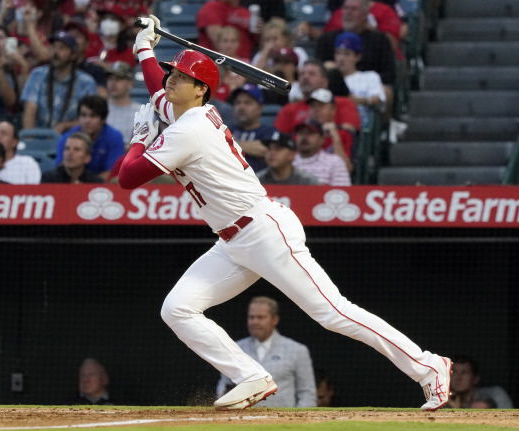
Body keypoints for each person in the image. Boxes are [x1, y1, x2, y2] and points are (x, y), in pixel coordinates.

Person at [117, 16, 452, 412]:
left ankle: (429, 367)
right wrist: (144, 47)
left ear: (201, 89)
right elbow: (159, 91)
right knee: (177, 308)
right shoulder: (188, 113)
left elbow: (127, 178)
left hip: (263, 231)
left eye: (180, 77)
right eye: (172, 74)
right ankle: (251, 375)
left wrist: (139, 140)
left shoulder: (188, 129)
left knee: (333, 313)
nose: (170, 81)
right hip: (233, 241)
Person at [216, 297, 317, 407]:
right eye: (251, 317)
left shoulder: (297, 350)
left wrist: (298, 422)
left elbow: (307, 393)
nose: (255, 322)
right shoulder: (235, 348)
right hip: (243, 421)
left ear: (275, 320)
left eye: (260, 317)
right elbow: (224, 386)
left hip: (282, 422)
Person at [315, 0, 396, 109]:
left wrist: (359, 77)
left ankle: (382, 125)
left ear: (365, 14)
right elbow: (317, 67)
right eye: (346, 8)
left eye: (353, 9)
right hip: (332, 85)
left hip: (367, 88)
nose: (348, 13)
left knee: (386, 92)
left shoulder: (380, 40)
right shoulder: (326, 39)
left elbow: (389, 74)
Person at [20, 31, 97, 133]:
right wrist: (29, 139)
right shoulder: (37, 74)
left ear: (73, 54)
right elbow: (29, 111)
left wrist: (66, 125)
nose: (55, 52)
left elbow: (91, 119)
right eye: (53, 47)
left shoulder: (87, 82)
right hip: (40, 137)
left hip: (72, 140)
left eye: (62, 48)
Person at [273, 59, 360, 134]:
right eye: (302, 74)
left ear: (325, 82)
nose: (305, 77)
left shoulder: (343, 103)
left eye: (312, 74)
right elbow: (277, 141)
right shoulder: (288, 109)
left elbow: (350, 132)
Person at [55, 95, 124, 181]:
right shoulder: (67, 138)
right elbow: (60, 170)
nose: (87, 121)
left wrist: (87, 186)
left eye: (93, 116)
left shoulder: (115, 137)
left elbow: (112, 173)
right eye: (83, 115)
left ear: (103, 119)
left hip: (101, 187)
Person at [333, 32, 387, 130]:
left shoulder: (369, 76)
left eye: (347, 54)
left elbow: (379, 100)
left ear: (357, 57)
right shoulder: (329, 77)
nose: (341, 58)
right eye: (338, 53)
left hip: (360, 123)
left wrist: (360, 100)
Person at [228, 83, 276, 173]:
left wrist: (229, 144)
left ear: (260, 108)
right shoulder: (226, 129)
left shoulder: (269, 132)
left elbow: (265, 151)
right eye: (238, 103)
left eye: (247, 103)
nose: (241, 107)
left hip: (258, 181)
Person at [292, 118, 352, 186]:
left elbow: (341, 193)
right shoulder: (287, 161)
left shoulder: (334, 162)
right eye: (301, 133)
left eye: (310, 133)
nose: (304, 137)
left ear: (322, 139)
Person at [306, 88, 354, 171]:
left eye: (321, 105)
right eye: (313, 106)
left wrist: (335, 139)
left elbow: (346, 169)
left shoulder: (343, 133)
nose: (317, 110)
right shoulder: (302, 132)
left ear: (333, 109)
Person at [446, 355, 514, 409]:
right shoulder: (441, 402)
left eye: (464, 372)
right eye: (454, 372)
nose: (458, 378)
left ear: (475, 379)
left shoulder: (495, 394)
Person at [63, 17, 107, 98]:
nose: (72, 40)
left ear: (87, 43)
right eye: (69, 37)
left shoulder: (95, 71)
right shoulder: (56, 68)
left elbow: (102, 98)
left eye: (76, 36)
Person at [105, 61, 140, 144]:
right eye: (110, 78)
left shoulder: (140, 112)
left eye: (118, 79)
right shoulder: (99, 109)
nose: (112, 83)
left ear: (130, 83)